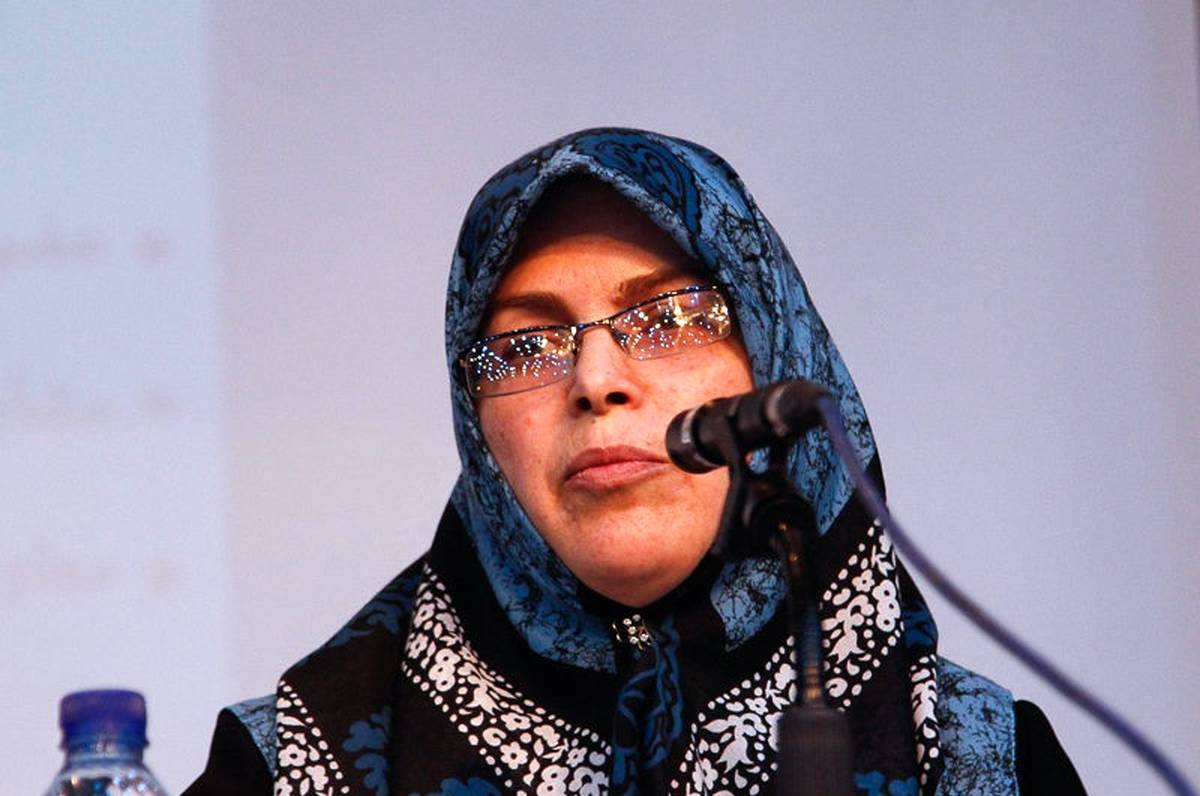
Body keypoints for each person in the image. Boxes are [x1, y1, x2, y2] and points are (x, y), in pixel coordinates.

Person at [186, 128, 1084, 795]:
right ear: (477, 429)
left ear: (773, 355)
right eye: (526, 344)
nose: (596, 380)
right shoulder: (298, 764)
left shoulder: (977, 760)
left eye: (669, 318)